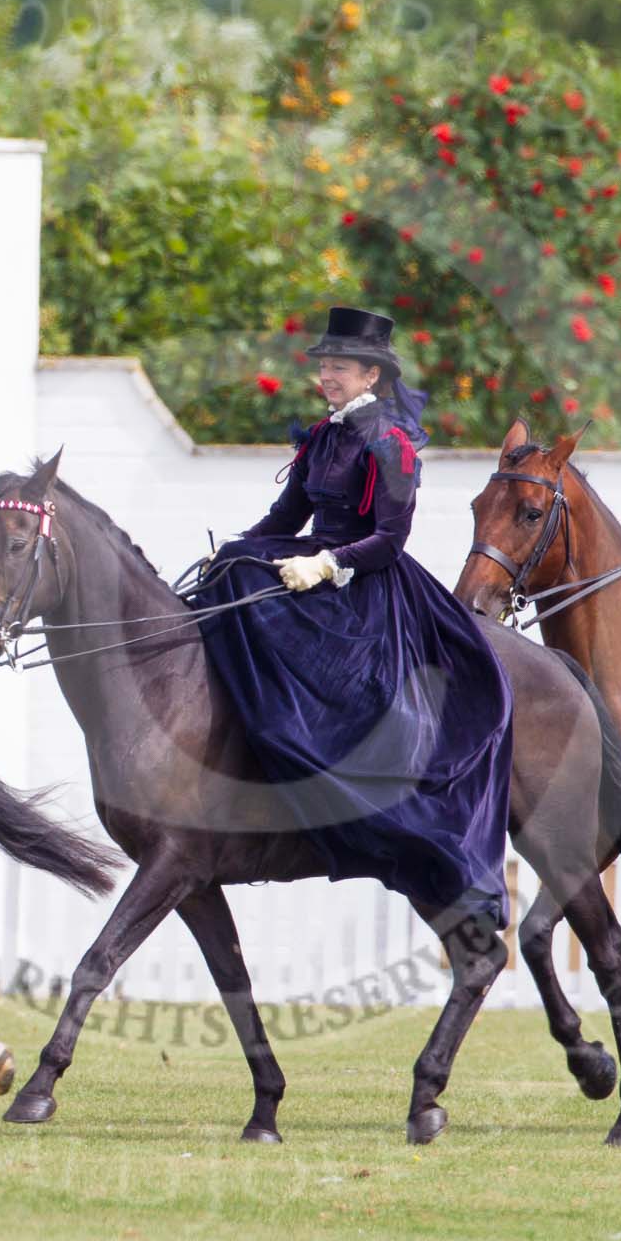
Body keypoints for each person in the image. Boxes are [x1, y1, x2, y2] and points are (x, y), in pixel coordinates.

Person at [190, 307, 514, 925]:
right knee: (237, 573)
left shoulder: (389, 443)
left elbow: (390, 539)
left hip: (364, 584)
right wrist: (234, 549)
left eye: (338, 367)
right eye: (324, 367)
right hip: (312, 560)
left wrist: (326, 563)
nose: (327, 377)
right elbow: (283, 520)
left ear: (370, 375)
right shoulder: (323, 436)